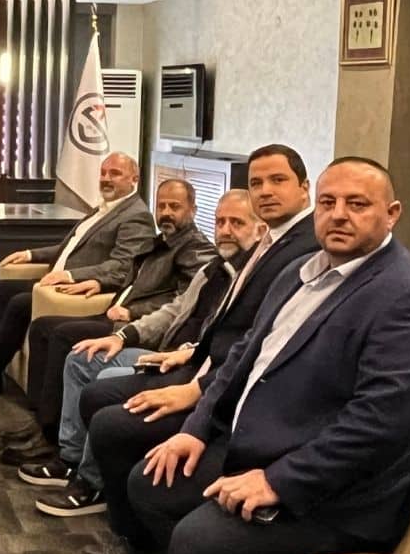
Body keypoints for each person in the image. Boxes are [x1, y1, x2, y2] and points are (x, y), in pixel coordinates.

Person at [128, 157, 410, 554]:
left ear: (392, 213)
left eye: (357, 204)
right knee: (149, 484)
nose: (339, 214)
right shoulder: (301, 271)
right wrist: (196, 428)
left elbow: (380, 425)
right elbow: (242, 357)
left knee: (199, 546)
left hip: (340, 492)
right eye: (328, 203)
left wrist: (279, 480)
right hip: (267, 444)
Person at [66, 143, 321, 554]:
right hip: (204, 367)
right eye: (257, 182)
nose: (265, 190)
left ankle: (142, 547)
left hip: (231, 392)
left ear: (304, 188)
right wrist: (189, 355)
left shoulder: (304, 252)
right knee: (97, 395)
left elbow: (260, 346)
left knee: (112, 426)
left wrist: (197, 391)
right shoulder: (271, 241)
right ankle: (129, 525)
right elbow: (228, 325)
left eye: (278, 180)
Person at [22, 189, 261, 517]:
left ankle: (91, 483)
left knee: (105, 375)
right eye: (221, 222)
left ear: (260, 229)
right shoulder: (213, 269)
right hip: (161, 348)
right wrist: (123, 335)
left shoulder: (243, 275)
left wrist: (180, 348)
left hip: (188, 365)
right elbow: (174, 309)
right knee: (81, 358)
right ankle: (70, 458)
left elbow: (234, 343)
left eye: (237, 223)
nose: (226, 230)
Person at [0, 178, 215, 465]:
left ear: (193, 210)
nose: (166, 212)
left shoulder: (195, 250)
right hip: (114, 310)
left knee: (64, 336)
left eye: (174, 207)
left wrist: (133, 313)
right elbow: (126, 272)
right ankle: (42, 420)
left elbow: (184, 303)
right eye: (161, 206)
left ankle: (50, 436)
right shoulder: (160, 242)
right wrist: (99, 283)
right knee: (42, 326)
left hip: (136, 325)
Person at [0, 151, 156, 395]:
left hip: (73, 288)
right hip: (53, 281)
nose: (106, 179)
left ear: (134, 179)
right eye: (103, 173)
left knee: (19, 303)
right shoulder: (104, 208)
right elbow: (72, 246)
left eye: (115, 174)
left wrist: (70, 276)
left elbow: (123, 265)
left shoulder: (136, 216)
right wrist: (32, 254)